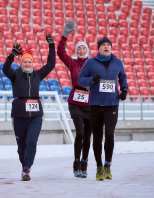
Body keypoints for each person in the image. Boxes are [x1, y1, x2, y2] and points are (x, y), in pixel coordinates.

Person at [2, 34, 55, 181]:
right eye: (24, 62)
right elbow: (5, 69)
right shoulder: (15, 75)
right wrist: (11, 55)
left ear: (32, 63)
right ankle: (24, 165)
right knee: (21, 147)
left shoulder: (38, 75)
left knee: (32, 141)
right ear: (20, 63)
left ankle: (27, 168)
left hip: (35, 115)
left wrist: (51, 46)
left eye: (29, 62)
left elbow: (50, 65)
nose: (27, 64)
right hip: (19, 113)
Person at [77, 37, 128, 181]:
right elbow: (80, 79)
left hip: (112, 104)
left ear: (111, 48)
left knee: (110, 134)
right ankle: (99, 166)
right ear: (98, 48)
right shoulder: (90, 62)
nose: (106, 47)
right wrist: (91, 80)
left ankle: (107, 165)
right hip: (95, 106)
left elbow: (123, 77)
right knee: (97, 138)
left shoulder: (118, 62)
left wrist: (124, 90)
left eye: (108, 45)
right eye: (103, 45)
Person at [57, 20, 92, 178]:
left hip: (91, 103)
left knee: (88, 135)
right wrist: (64, 36)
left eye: (84, 47)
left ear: (88, 50)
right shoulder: (72, 62)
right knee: (80, 132)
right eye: (79, 48)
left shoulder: (94, 63)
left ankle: (84, 164)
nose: (82, 49)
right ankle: (76, 163)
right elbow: (60, 52)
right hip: (76, 102)